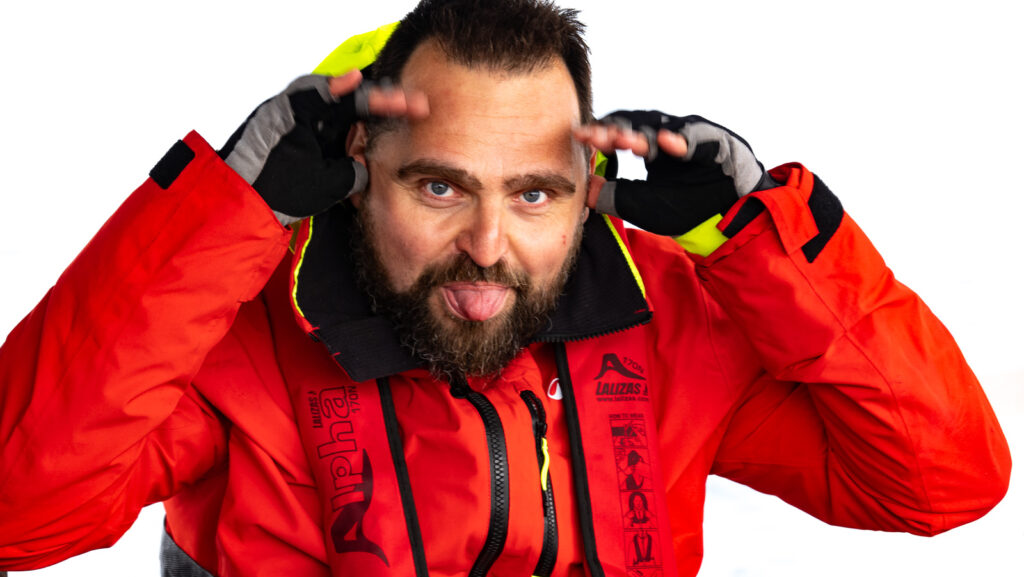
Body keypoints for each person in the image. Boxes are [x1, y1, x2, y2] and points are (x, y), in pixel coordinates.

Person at [0, 1, 1012, 576]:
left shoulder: (671, 318)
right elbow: (19, 510)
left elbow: (939, 483)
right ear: (355, 177)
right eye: (439, 186)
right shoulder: (238, 334)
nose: (488, 247)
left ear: (588, 187)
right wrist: (221, 211)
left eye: (533, 193)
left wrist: (762, 235)